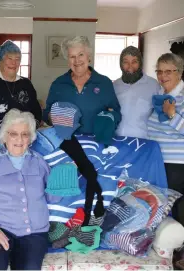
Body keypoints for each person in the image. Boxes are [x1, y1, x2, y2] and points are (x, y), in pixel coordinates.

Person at [0, 109, 60, 270]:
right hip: (0, 228)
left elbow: (51, 199)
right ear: (4, 136)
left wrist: (59, 184)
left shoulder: (39, 162)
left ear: (30, 138)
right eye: (13, 133)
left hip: (34, 233)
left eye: (25, 134)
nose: (19, 139)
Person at [42, 36, 121, 224]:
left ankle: (92, 221)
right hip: (68, 146)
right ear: (67, 59)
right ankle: (67, 225)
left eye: (81, 55)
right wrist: (54, 117)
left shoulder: (104, 83)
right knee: (70, 189)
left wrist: (108, 119)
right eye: (71, 57)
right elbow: (46, 114)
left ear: (89, 56)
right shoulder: (58, 84)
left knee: (94, 185)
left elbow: (116, 112)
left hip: (96, 145)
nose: (77, 61)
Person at [148, 53, 184, 220]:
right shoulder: (160, 95)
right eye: (159, 71)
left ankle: (172, 243)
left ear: (179, 72)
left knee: (167, 203)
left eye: (168, 71)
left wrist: (172, 115)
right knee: (159, 202)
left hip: (178, 162)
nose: (162, 76)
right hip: (159, 158)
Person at [0, 40, 42, 134]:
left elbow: (36, 111)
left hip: (25, 137)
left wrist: (29, 130)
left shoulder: (26, 83)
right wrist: (9, 135)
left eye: (17, 59)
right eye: (9, 58)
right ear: (0, 61)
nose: (14, 63)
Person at [114, 46, 160, 139]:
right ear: (121, 64)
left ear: (141, 63)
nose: (130, 66)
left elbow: (160, 115)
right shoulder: (114, 85)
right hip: (116, 143)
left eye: (134, 62)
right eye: (126, 62)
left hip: (143, 144)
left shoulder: (153, 85)